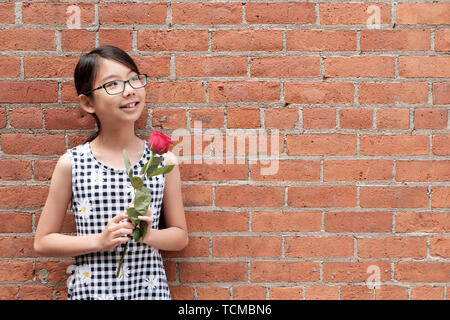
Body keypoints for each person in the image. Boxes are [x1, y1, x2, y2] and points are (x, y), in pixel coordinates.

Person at [34, 45, 188, 300]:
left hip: (148, 293)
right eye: (113, 84)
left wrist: (149, 235)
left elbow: (180, 236)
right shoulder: (72, 163)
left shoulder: (162, 161)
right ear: (88, 103)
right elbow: (42, 242)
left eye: (134, 79)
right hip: (91, 293)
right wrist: (100, 241)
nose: (129, 90)